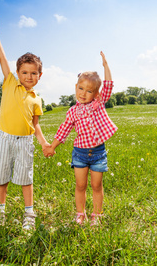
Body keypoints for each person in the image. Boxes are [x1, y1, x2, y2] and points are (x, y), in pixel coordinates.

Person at [0, 17, 50, 230]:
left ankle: (29, 214)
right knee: (1, 175)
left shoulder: (36, 99)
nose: (28, 76)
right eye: (24, 72)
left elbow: (36, 124)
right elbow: (1, 57)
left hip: (25, 142)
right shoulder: (10, 83)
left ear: (40, 75)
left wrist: (44, 143)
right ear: (18, 73)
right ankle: (0, 213)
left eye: (33, 73)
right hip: (4, 138)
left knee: (25, 178)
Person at [44, 51, 117, 226]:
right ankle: (80, 214)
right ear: (75, 86)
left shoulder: (98, 103)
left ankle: (97, 215)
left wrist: (105, 66)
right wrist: (52, 146)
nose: (83, 94)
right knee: (80, 185)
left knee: (97, 185)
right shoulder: (72, 111)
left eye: (89, 91)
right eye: (80, 88)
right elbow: (64, 130)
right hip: (79, 154)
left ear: (96, 93)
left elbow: (108, 85)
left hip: (98, 153)